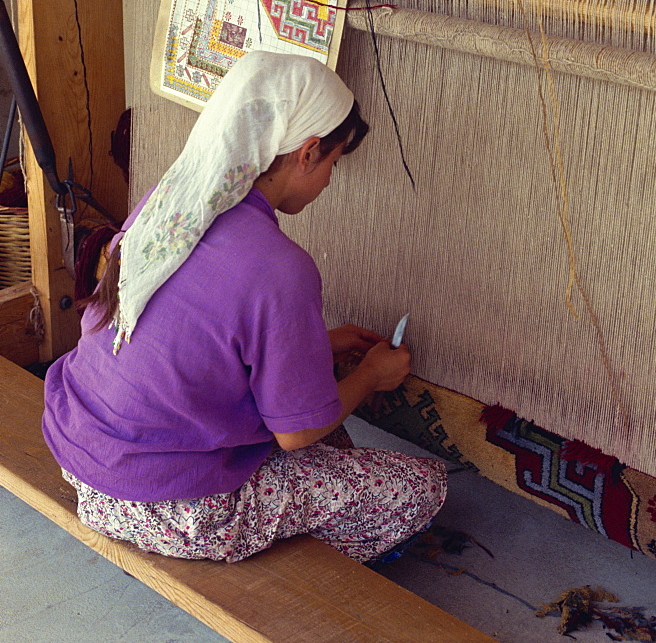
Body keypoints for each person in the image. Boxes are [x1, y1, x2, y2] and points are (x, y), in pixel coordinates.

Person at [42, 51, 447, 565]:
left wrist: (320, 345)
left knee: (334, 439)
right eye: (334, 164)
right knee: (418, 488)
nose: (329, 181)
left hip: (80, 456)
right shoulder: (282, 267)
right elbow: (296, 434)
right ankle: (291, 574)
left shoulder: (171, 205)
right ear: (308, 151)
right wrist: (371, 376)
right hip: (171, 508)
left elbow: (192, 342)